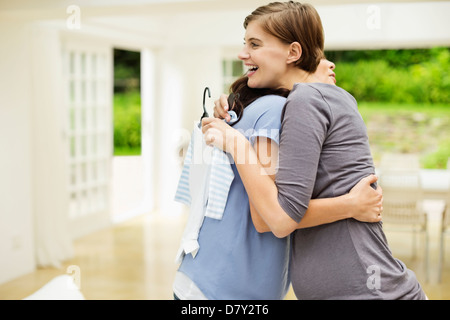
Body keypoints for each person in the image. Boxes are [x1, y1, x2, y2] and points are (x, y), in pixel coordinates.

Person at [203, 1, 426, 299]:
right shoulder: (318, 99)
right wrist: (236, 107)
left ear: (293, 52)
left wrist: (236, 143)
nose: (243, 54)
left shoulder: (307, 100)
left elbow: (280, 219)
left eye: (254, 44)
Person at [173, 64, 382, 300]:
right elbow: (268, 217)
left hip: (212, 280)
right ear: (293, 59)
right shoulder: (275, 109)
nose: (330, 64)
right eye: (318, 56)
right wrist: (351, 205)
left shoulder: (282, 113)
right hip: (220, 288)